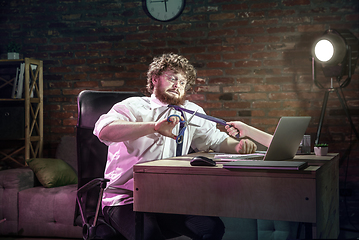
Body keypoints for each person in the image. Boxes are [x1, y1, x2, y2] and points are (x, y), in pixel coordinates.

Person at [94, 53, 257, 240]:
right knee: (150, 236)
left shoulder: (192, 111)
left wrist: (239, 147)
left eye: (182, 82)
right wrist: (153, 127)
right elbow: (104, 131)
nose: (177, 85)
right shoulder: (133, 106)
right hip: (125, 200)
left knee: (211, 229)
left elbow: (216, 140)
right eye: (172, 78)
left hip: (167, 199)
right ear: (155, 79)